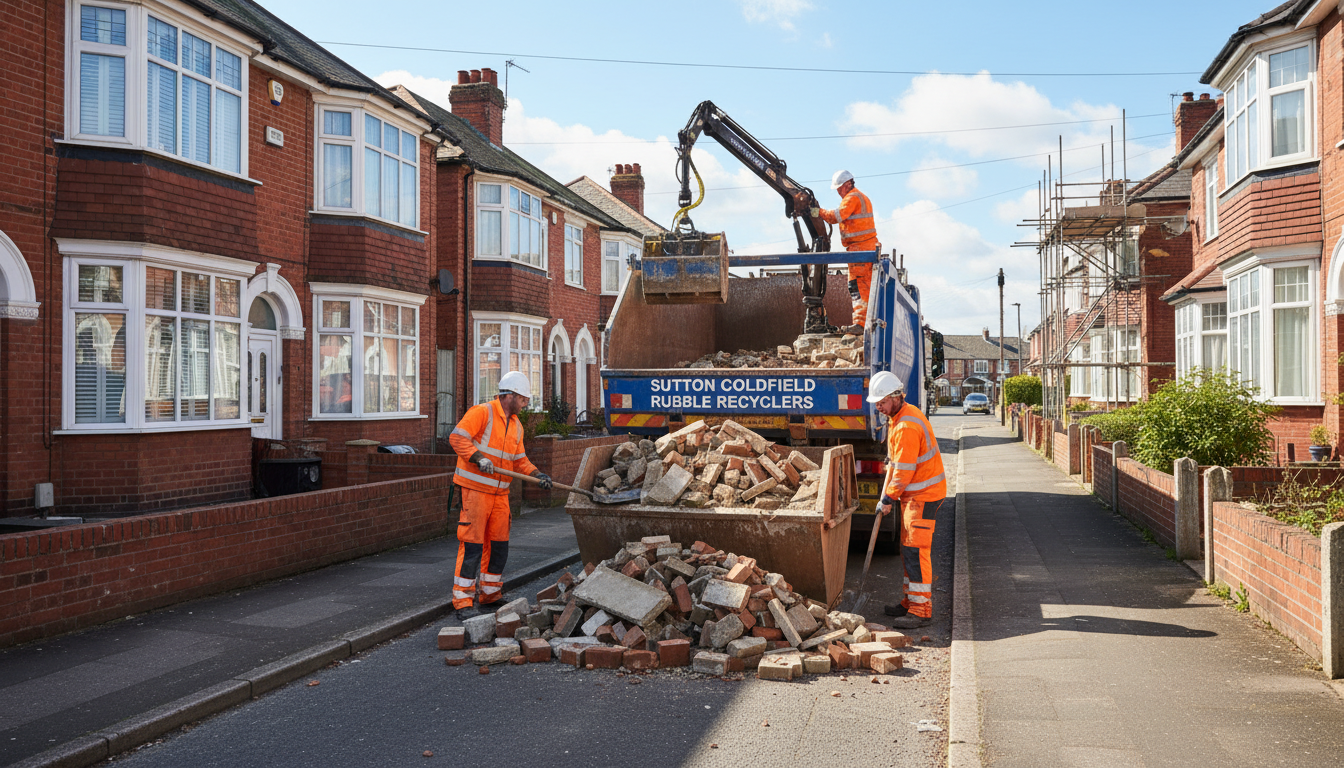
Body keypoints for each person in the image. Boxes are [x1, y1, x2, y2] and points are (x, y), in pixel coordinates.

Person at [448, 370, 552, 619]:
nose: (526, 404)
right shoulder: (482, 412)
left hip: (500, 495)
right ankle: (463, 601)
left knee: (499, 547)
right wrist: (478, 458)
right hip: (475, 491)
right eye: (524, 399)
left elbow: (519, 461)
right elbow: (457, 438)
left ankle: (490, 594)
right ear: (511, 395)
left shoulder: (516, 426)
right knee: (472, 546)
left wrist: (538, 475)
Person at [866, 371, 946, 629]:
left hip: (924, 495)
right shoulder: (900, 415)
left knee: (915, 550)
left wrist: (888, 497)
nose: (878, 407)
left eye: (882, 402)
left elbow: (903, 470)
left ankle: (921, 609)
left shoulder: (907, 426)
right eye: (876, 402)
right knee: (907, 548)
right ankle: (910, 601)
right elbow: (896, 463)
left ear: (895, 397)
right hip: (916, 495)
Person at [812, 170, 879, 336]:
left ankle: (861, 325)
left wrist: (818, 212)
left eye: (839, 187)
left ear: (848, 184)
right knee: (860, 287)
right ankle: (863, 322)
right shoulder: (859, 197)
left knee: (859, 286)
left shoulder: (853, 198)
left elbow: (837, 216)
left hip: (861, 250)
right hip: (862, 248)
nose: (837, 191)